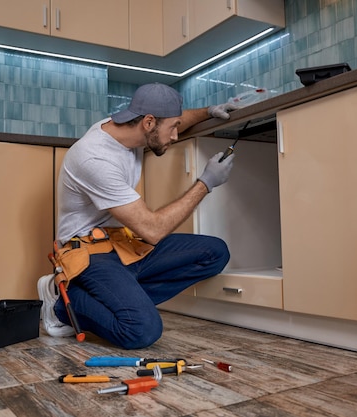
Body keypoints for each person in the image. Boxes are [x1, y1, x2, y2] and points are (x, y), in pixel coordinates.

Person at [37, 83, 237, 349]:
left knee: (215, 252)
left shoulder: (131, 130)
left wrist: (210, 111)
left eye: (176, 126)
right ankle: (62, 304)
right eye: (172, 129)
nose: (176, 135)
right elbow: (152, 230)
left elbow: (174, 119)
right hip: (89, 254)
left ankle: (120, 294)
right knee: (141, 330)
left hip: (124, 246)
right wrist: (206, 183)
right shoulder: (95, 157)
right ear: (148, 123)